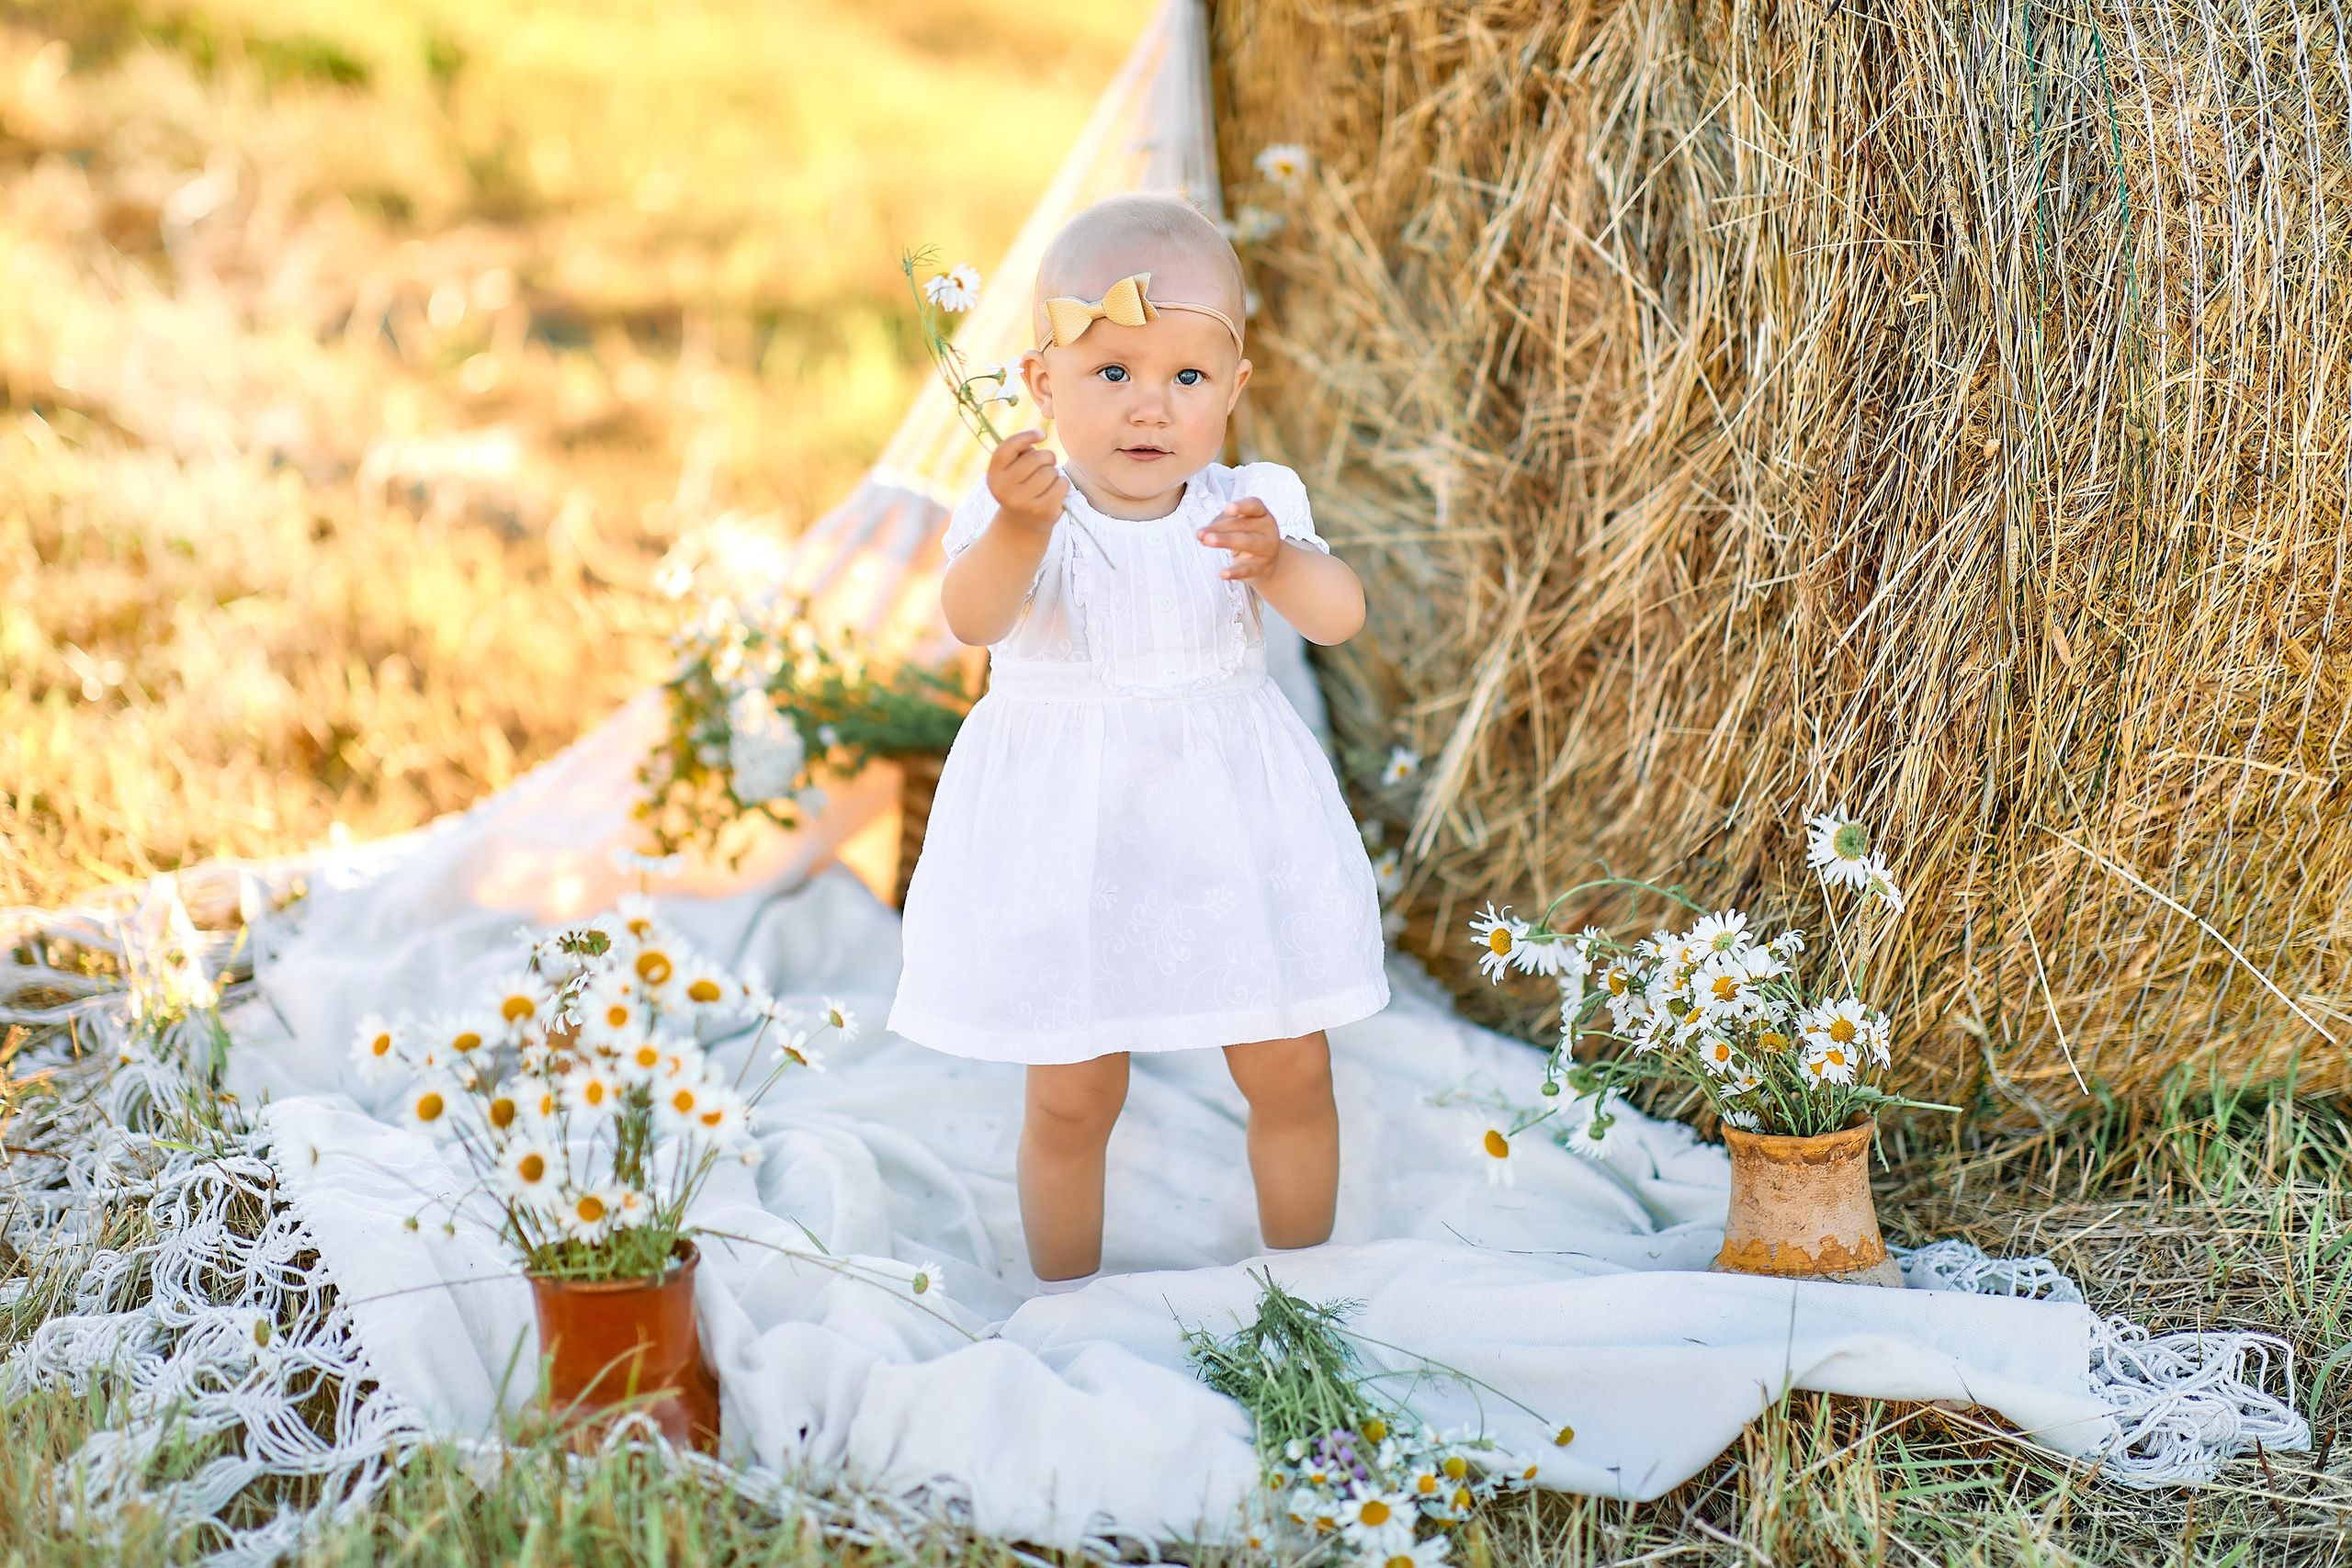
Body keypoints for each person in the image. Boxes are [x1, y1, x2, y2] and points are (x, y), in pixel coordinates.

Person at [886, 193, 1387, 1292]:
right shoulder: (1026, 507)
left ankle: (1305, 1286)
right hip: (1073, 844)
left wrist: (1281, 564)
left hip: (1227, 840)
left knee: (1291, 1068)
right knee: (1073, 1094)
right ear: (1041, 384)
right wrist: (1019, 527)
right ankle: (1066, 1292)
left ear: (1234, 392)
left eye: (1187, 379)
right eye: (1112, 374)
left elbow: (1339, 615)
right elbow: (968, 620)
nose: (1149, 408)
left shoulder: (1249, 501)